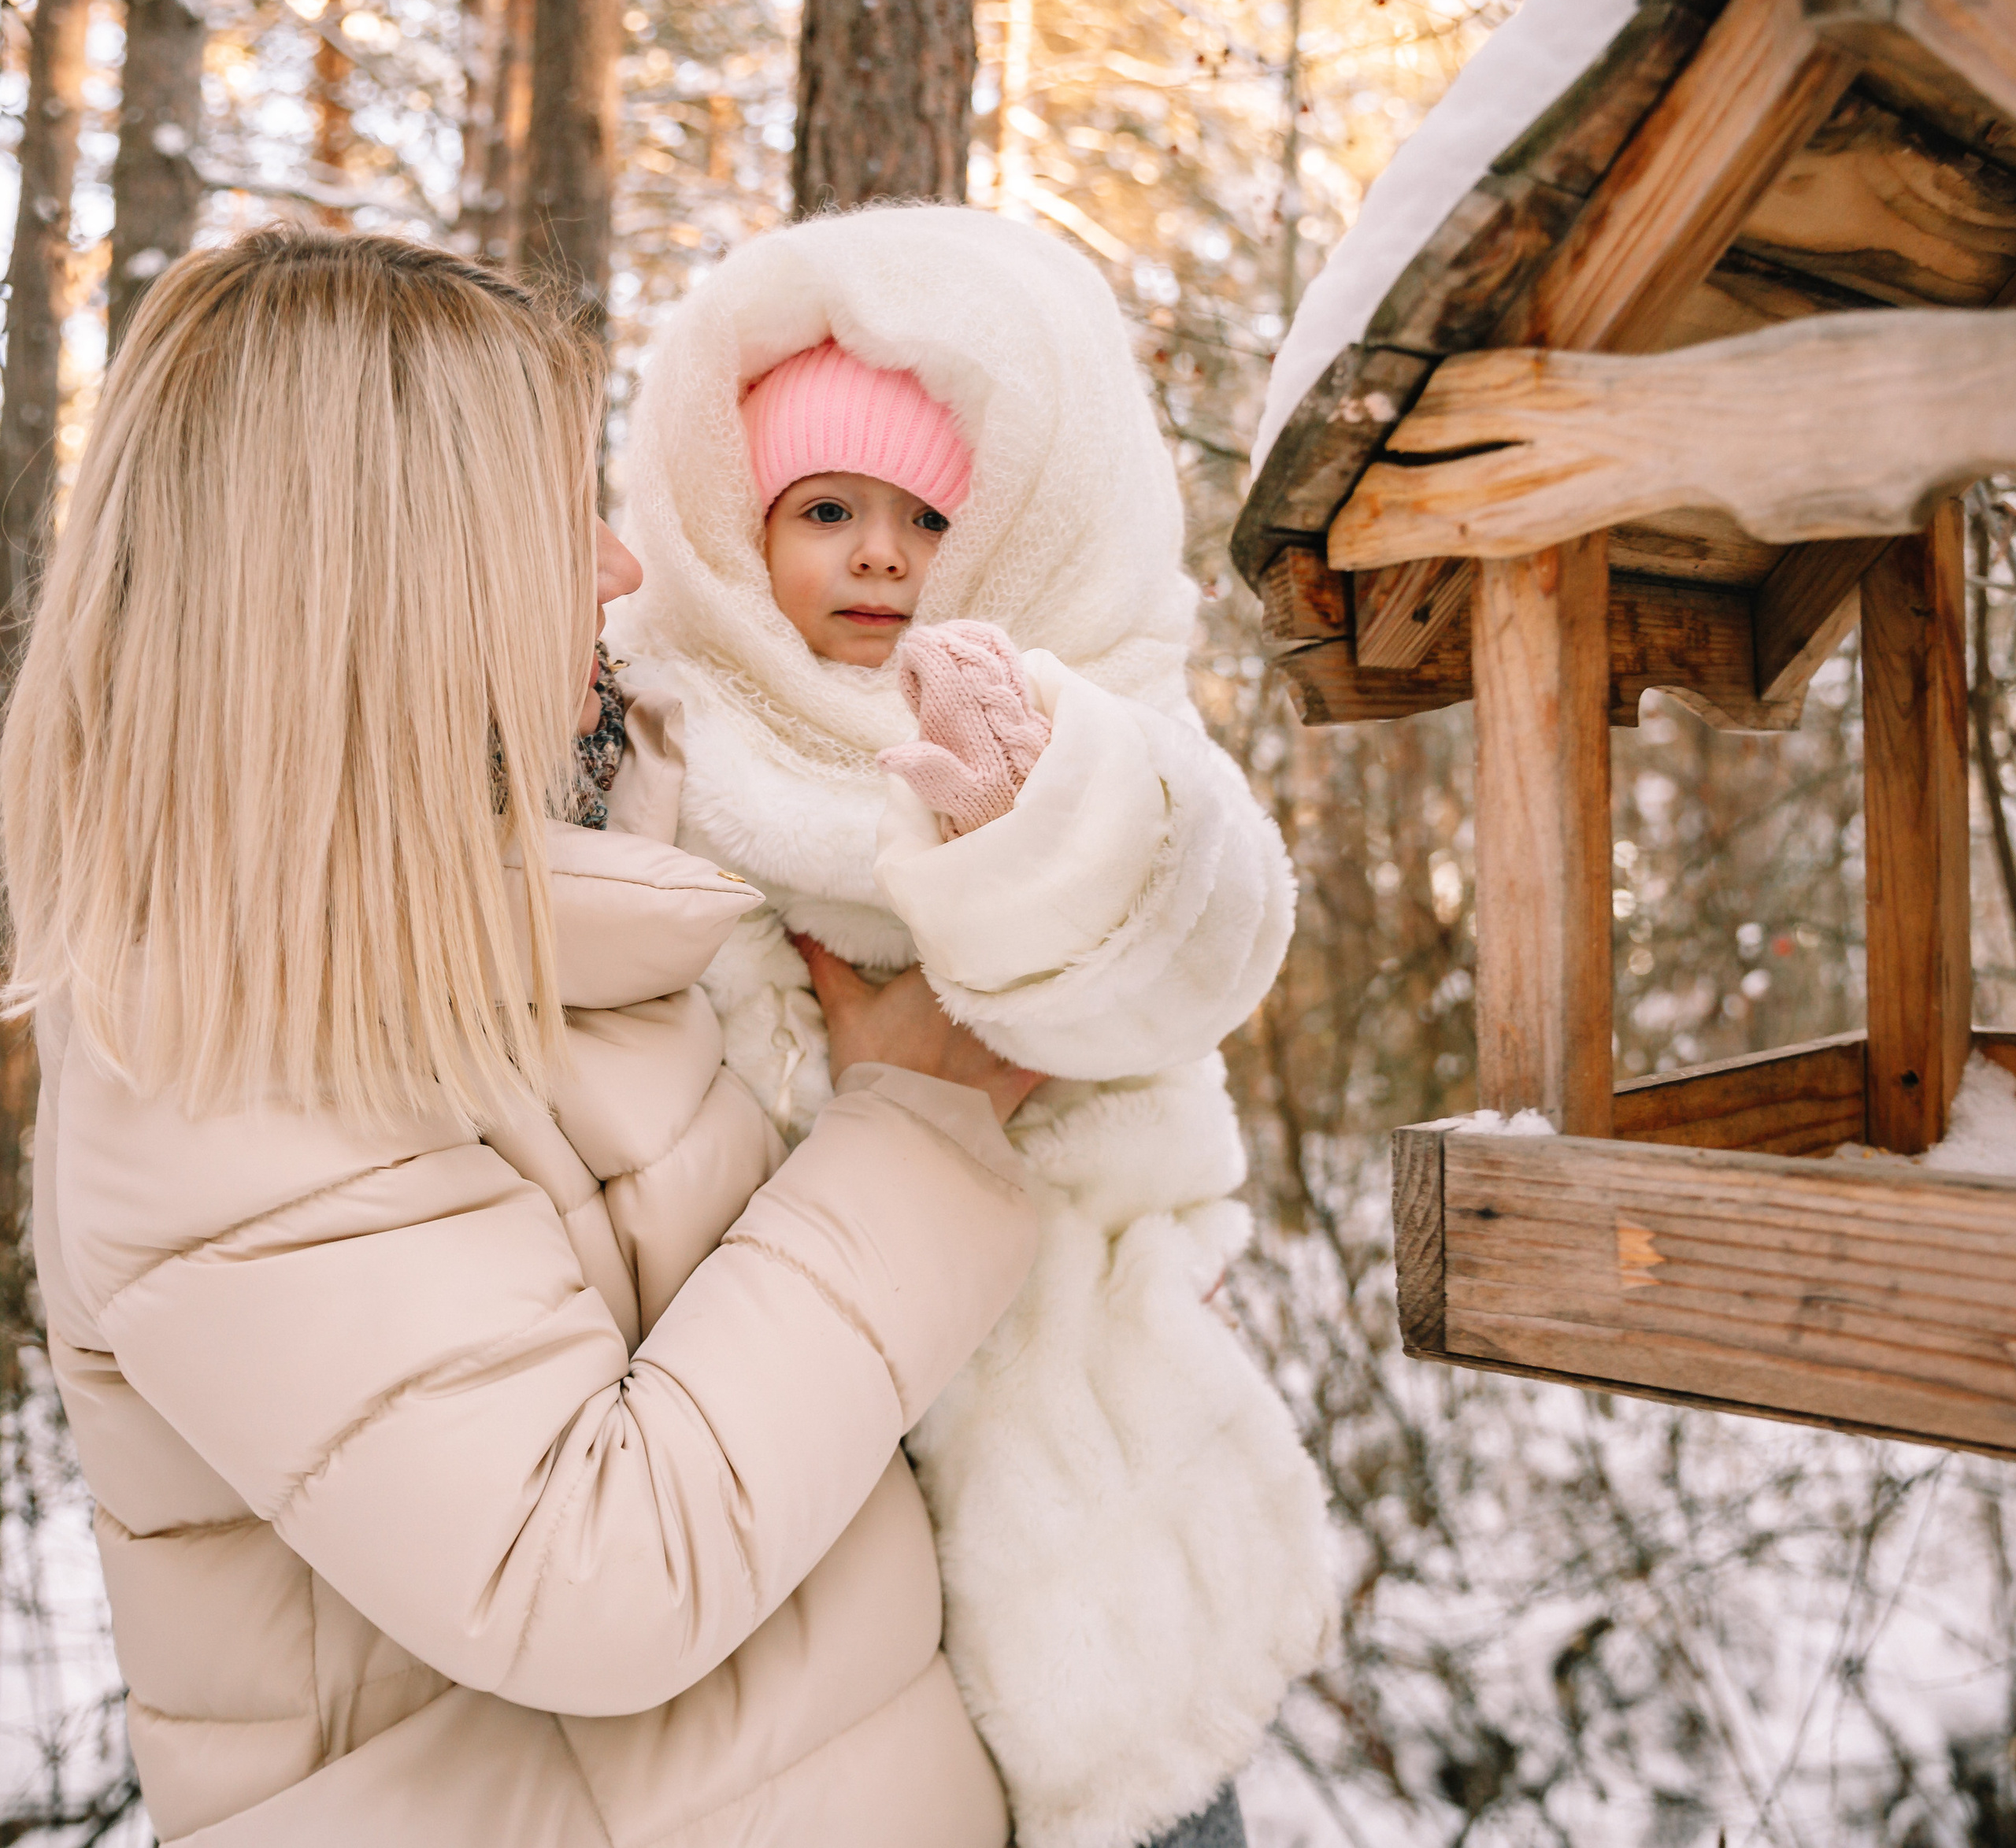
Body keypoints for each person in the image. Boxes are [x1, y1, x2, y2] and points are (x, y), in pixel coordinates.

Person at [2, 228, 1052, 1847]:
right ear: (384, 577)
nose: (619, 568)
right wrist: (916, 1132)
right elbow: (591, 1571)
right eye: (554, 516)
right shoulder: (209, 1054)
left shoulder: (521, 917)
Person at [613, 202, 1336, 1848]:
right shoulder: (666, 724)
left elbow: (1183, 936)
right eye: (824, 508)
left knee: (1119, 1724)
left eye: (925, 513)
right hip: (782, 1380)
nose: (876, 552)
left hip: (1063, 1330)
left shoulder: (1089, 715)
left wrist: (1038, 821)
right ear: (741, 530)